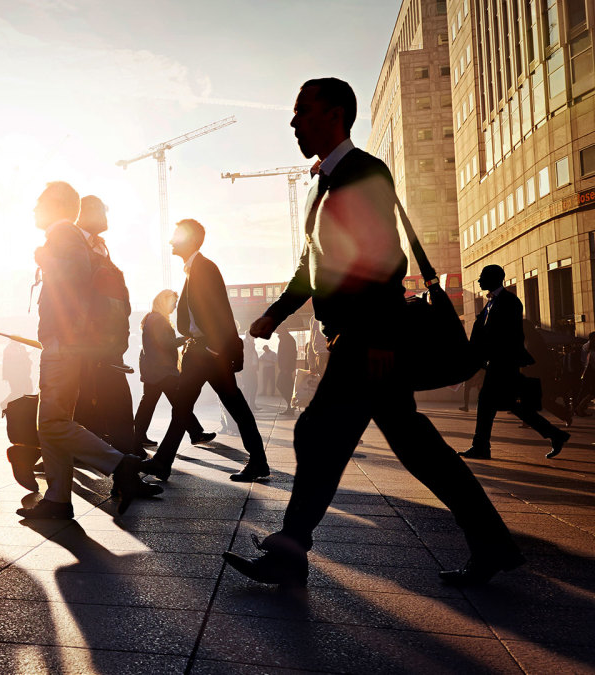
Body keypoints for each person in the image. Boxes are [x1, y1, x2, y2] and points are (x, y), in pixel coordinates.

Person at [224, 78, 522, 588]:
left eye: (304, 111)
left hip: (367, 339)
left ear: (336, 114)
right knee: (413, 446)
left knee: (317, 434)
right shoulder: (322, 183)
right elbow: (310, 266)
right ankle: (492, 543)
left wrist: (383, 336)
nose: (294, 122)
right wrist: (276, 313)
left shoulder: (365, 172)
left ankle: (290, 551)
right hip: (354, 338)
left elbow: (386, 258)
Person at [15, 181, 159, 520]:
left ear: (55, 205)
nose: (33, 209)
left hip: (63, 345)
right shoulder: (70, 236)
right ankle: (57, 499)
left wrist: (45, 259)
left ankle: (119, 464)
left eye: (38, 202)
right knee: (53, 422)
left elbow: (73, 283)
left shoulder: (62, 234)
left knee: (50, 423)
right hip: (68, 344)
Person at [140, 219, 269, 483]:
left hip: (208, 354)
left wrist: (213, 348)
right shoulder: (193, 269)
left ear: (189, 240)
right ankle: (163, 463)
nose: (170, 241)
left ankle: (257, 461)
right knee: (186, 408)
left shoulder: (204, 268)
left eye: (175, 235)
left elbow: (220, 310)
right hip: (200, 352)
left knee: (232, 406)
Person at [460, 265, 569, 460]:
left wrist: (490, 355)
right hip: (497, 363)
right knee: (508, 405)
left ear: (494, 278)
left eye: (482, 276)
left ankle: (481, 447)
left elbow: (509, 335)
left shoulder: (510, 302)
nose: (479, 280)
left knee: (487, 402)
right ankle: (555, 435)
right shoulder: (492, 303)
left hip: (503, 363)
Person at [70, 195, 140, 456]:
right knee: (89, 399)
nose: (106, 217)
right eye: (103, 211)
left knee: (105, 398)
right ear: (87, 211)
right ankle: (121, 455)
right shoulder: (75, 242)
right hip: (88, 341)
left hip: (107, 341)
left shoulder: (100, 246)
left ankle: (124, 454)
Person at [133, 289, 216, 448]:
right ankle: (195, 433)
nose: (175, 306)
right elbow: (164, 343)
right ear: (164, 302)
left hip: (153, 369)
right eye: (173, 302)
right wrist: (184, 339)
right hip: (162, 370)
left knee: (148, 404)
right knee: (180, 402)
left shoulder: (151, 318)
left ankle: (138, 437)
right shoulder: (158, 320)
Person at [276, 328, 297, 415]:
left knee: (281, 385)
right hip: (286, 368)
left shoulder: (287, 339)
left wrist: (285, 368)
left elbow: (287, 355)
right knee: (288, 386)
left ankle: (291, 406)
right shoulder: (286, 338)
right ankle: (290, 406)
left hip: (286, 368)